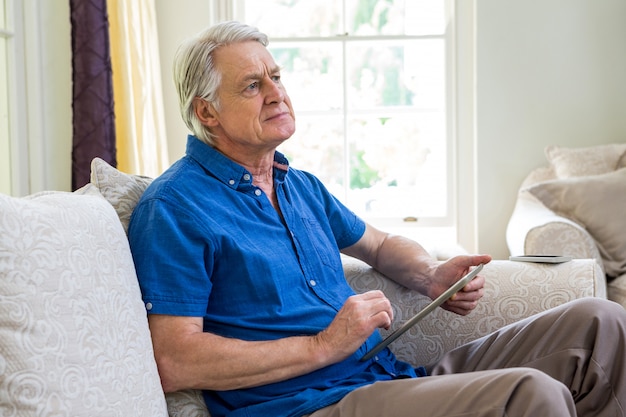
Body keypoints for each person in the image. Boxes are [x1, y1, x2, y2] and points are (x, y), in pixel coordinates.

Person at [127, 21, 626, 417]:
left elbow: (382, 246)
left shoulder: (296, 185)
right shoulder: (175, 207)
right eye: (253, 85)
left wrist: (430, 274)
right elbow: (175, 359)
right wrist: (323, 345)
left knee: (603, 322)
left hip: (386, 378)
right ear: (207, 112)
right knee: (530, 395)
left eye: (275, 76)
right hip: (313, 406)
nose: (277, 93)